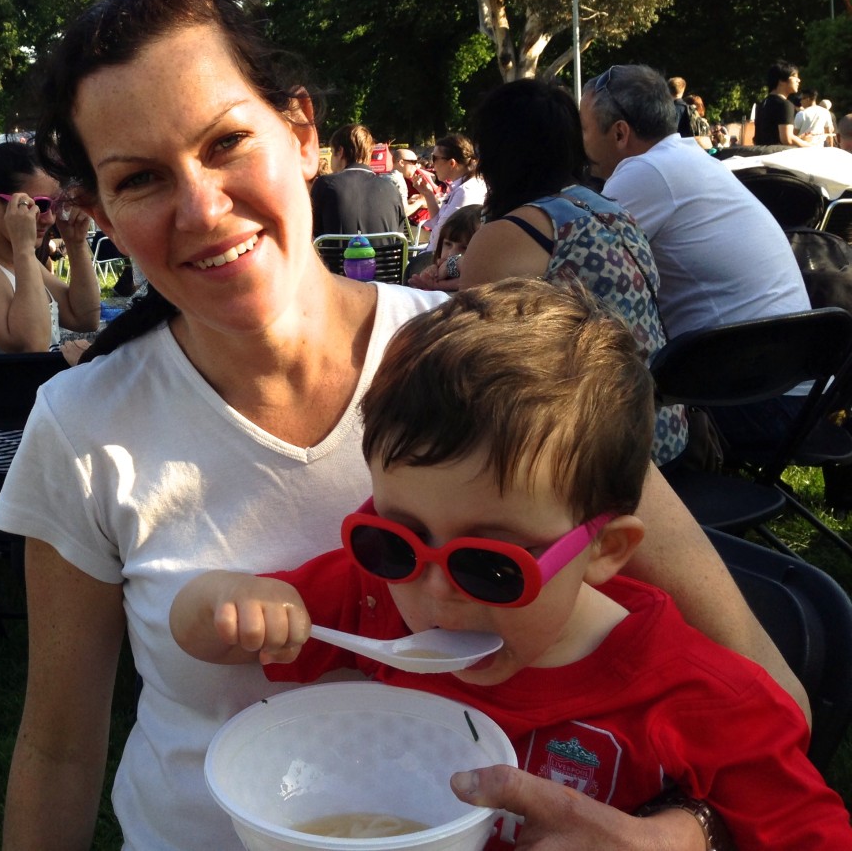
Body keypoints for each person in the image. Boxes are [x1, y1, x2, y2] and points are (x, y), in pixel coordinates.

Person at [0, 0, 809, 851]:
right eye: (140, 178)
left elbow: (767, 695)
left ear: (301, 131)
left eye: (225, 142)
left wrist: (687, 834)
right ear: (102, 218)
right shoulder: (82, 426)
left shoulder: (492, 367)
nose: (201, 206)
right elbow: (59, 751)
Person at [170, 279, 852, 851]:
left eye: (492, 567)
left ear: (604, 550)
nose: (434, 595)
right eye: (395, 540)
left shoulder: (701, 702)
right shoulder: (376, 599)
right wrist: (231, 597)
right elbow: (202, 633)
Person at [578, 64, 813, 454]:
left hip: (752, 402)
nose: (581, 144)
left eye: (584, 130)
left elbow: (582, 273)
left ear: (620, 133)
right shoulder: (686, 158)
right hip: (796, 392)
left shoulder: (643, 171)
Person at [459, 78, 686, 467]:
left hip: (603, 452)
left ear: (494, 153)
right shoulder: (612, 210)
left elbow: (469, 356)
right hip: (666, 429)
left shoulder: (509, 233)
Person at [0, 141, 100, 475]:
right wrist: (25, 248)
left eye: (54, 205)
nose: (47, 217)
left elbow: (84, 315)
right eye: (35, 206)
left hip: (44, 422)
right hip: (13, 446)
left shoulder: (20, 261)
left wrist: (75, 243)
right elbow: (31, 344)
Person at [309, 123, 405, 238]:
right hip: (383, 256)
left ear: (340, 151)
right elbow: (398, 238)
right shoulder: (391, 188)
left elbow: (311, 234)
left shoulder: (325, 185)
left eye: (332, 152)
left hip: (337, 256)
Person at [412, 133, 486, 252]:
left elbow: (443, 235)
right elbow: (439, 224)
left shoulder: (465, 192)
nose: (432, 164)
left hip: (440, 260)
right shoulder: (462, 187)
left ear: (452, 163)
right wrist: (428, 194)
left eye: (435, 158)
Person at [406, 203, 481, 291]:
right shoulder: (436, 271)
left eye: (464, 248)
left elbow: (476, 282)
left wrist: (450, 267)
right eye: (448, 244)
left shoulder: (482, 279)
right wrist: (429, 279)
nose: (452, 254)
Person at [753, 61, 815, 147]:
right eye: (794, 77)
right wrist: (808, 146)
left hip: (761, 156)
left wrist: (799, 139)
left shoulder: (763, 103)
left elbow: (765, 137)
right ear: (781, 81)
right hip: (777, 157)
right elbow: (787, 139)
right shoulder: (785, 104)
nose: (799, 80)